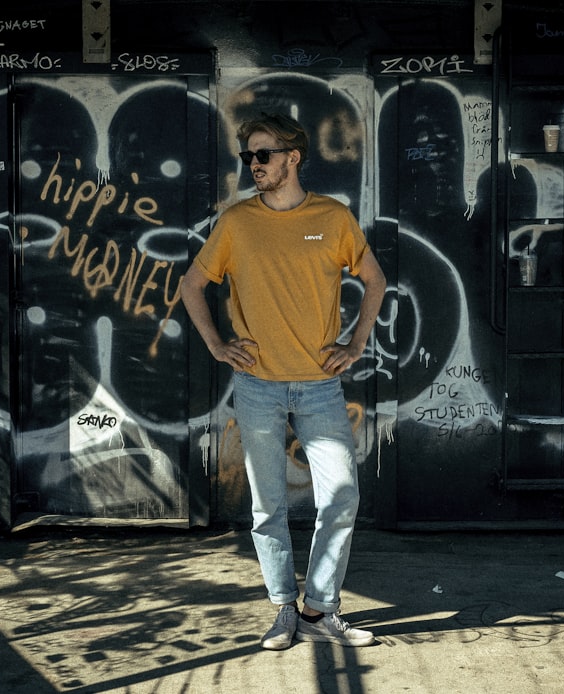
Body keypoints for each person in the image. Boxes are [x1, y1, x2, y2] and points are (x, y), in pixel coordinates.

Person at [181, 112, 387, 650]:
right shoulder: (237, 222)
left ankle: (319, 609)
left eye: (264, 155)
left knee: (340, 496)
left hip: (319, 385)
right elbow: (192, 284)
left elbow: (374, 281)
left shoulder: (333, 217)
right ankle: (282, 611)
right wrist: (218, 346)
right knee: (267, 506)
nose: (255, 164)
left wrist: (355, 344)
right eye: (249, 155)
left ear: (293, 158)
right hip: (257, 386)